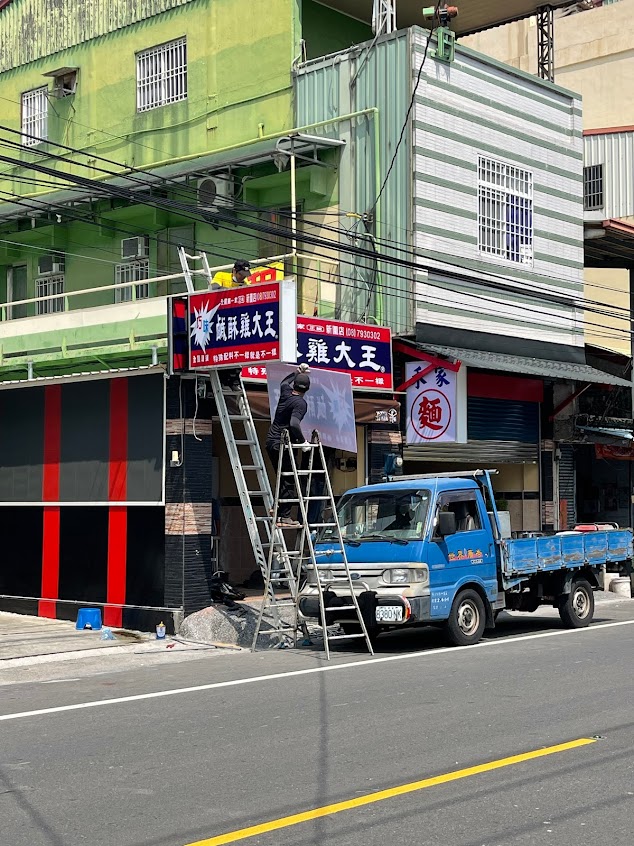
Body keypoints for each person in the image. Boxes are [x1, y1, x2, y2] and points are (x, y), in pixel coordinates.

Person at [266, 365, 311, 527]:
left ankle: (276, 508)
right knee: (290, 478)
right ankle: (284, 516)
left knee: (283, 476)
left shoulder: (286, 393)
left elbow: (284, 382)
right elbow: (294, 423)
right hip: (282, 444)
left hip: (271, 441)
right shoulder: (300, 403)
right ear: (307, 389)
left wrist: (297, 372)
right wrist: (303, 441)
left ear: (295, 385)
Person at [211, 260, 251, 391]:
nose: (242, 277)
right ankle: (223, 381)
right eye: (241, 274)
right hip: (220, 321)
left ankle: (234, 380)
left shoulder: (245, 284)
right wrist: (233, 292)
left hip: (235, 323)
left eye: (245, 275)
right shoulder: (221, 276)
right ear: (234, 271)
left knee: (237, 353)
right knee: (223, 352)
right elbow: (214, 289)